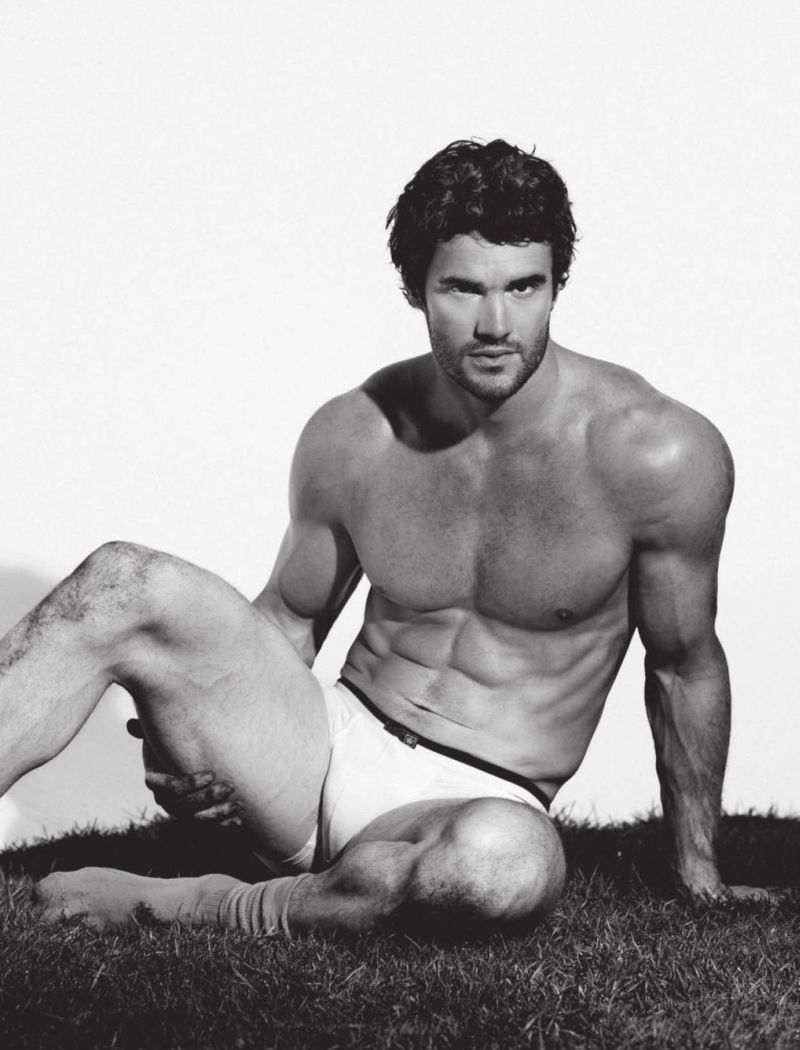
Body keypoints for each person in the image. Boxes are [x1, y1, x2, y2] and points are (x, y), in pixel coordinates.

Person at [0, 139, 769, 939]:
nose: (496, 324)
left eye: (524, 287)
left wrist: (699, 874)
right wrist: (191, 739)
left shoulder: (657, 453)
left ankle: (207, 905)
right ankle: (314, 885)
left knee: (502, 864)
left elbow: (683, 665)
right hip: (324, 745)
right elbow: (289, 622)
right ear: (416, 288)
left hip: (475, 803)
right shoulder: (355, 434)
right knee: (121, 581)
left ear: (556, 284)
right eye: (463, 289)